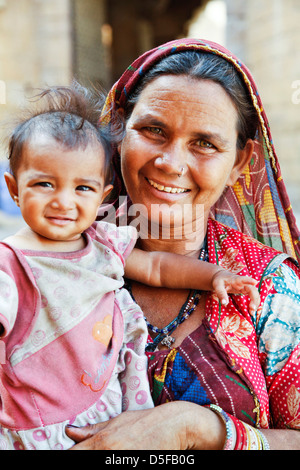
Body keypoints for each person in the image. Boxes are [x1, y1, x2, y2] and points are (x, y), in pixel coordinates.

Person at [65, 39, 300, 450]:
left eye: (204, 143)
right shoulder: (62, 255)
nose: (171, 163)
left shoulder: (267, 287)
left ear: (241, 162)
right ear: (119, 129)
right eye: (153, 130)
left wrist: (199, 429)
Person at [0, 82, 258, 450]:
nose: (63, 202)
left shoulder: (103, 242)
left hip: (103, 406)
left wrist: (215, 275)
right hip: (35, 423)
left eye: (82, 189)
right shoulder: (10, 264)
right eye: (44, 183)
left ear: (102, 194)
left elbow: (157, 268)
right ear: (14, 188)